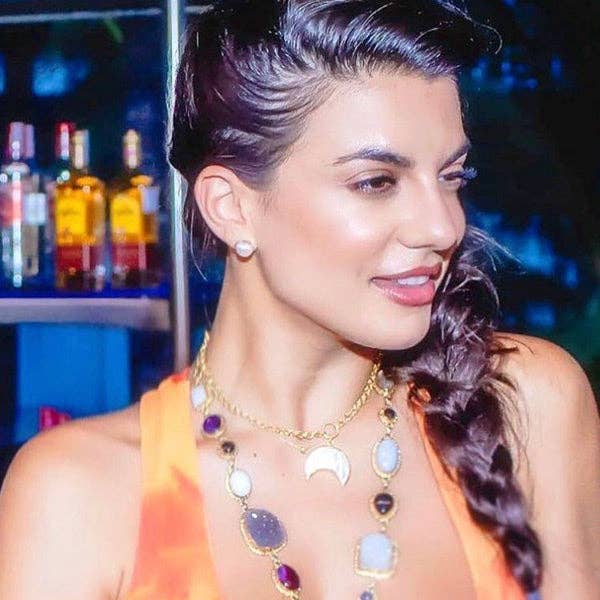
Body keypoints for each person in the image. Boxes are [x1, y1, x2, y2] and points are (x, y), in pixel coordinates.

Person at [1, 1, 599, 598]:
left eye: (451, 177)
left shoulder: (523, 406)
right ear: (232, 208)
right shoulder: (81, 496)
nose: (443, 226)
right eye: (376, 182)